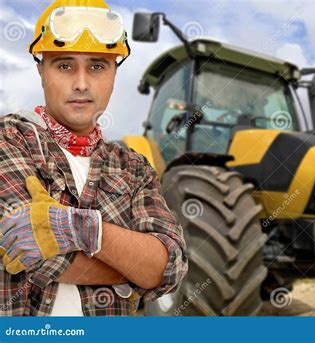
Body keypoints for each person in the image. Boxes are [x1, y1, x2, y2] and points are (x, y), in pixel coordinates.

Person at [0, 0, 188, 316]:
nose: (82, 83)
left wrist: (84, 229)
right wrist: (134, 272)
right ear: (41, 70)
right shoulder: (9, 138)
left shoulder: (134, 168)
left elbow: (170, 268)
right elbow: (26, 253)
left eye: (98, 66)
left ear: (114, 73)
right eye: (64, 65)